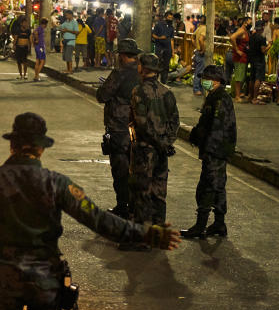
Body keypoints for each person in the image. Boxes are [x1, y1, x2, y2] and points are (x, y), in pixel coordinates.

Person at [0, 112, 181, 310]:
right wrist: (146, 234)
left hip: (3, 280)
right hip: (44, 283)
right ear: (41, 148)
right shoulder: (57, 184)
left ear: (12, 145)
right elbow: (98, 219)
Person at [121, 53, 180, 250]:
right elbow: (175, 122)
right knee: (159, 193)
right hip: (162, 151)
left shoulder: (139, 92)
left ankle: (142, 239)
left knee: (142, 193)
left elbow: (141, 123)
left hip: (145, 151)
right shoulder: (167, 92)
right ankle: (160, 235)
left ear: (143, 69)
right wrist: (166, 142)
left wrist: (156, 142)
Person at [182, 65, 236, 239]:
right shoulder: (214, 96)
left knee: (208, 186)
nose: (203, 81)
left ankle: (200, 226)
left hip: (216, 150)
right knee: (218, 186)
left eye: (206, 78)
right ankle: (219, 224)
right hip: (216, 150)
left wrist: (208, 150)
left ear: (217, 81)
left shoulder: (220, 99)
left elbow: (217, 127)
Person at [95, 39, 143, 218]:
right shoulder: (142, 72)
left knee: (120, 169)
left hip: (119, 127)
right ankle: (137, 206)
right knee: (138, 168)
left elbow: (103, 95)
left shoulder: (119, 73)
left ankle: (123, 206)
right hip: (139, 128)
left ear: (122, 55)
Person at [229, 16, 251, 102]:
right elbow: (232, 38)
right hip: (239, 57)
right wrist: (237, 50)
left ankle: (239, 94)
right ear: (245, 23)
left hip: (243, 56)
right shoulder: (241, 30)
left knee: (241, 76)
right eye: (249, 22)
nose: (250, 24)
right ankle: (237, 96)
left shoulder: (245, 31)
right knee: (239, 76)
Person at [247, 28, 270, 104]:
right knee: (258, 79)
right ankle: (254, 98)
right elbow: (263, 50)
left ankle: (250, 96)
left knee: (252, 78)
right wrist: (269, 45)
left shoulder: (251, 37)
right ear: (262, 29)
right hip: (259, 60)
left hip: (252, 59)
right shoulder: (262, 38)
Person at [151, 12, 174, 83]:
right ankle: (155, 81)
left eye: (171, 18)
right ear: (165, 17)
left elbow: (171, 39)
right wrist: (160, 38)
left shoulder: (171, 27)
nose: (170, 19)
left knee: (166, 66)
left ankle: (164, 81)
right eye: (169, 18)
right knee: (157, 64)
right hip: (159, 48)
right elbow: (153, 35)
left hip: (168, 49)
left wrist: (172, 51)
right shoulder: (159, 25)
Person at [11, 15, 32, 80]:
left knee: (25, 61)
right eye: (24, 23)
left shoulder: (28, 31)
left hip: (25, 47)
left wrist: (29, 47)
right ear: (21, 23)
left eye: (26, 23)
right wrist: (14, 46)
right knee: (19, 62)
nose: (25, 24)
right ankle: (20, 74)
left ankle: (25, 74)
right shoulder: (18, 30)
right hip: (18, 47)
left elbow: (29, 40)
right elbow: (15, 39)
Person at [32, 17, 48, 82]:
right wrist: (37, 39)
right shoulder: (40, 28)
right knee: (42, 61)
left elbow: (34, 33)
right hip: (40, 46)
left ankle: (36, 75)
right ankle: (36, 75)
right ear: (44, 24)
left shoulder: (38, 28)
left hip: (37, 46)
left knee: (38, 61)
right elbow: (35, 33)